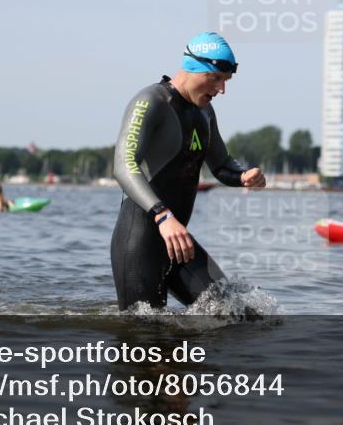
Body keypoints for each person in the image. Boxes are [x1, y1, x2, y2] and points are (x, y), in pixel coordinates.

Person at [110, 32, 265, 310]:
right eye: (216, 78)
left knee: (236, 314)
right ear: (194, 67)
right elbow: (123, 165)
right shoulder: (152, 101)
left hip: (178, 242)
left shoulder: (205, 112)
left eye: (226, 81)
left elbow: (221, 164)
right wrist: (162, 215)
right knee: (146, 338)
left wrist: (242, 176)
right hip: (141, 241)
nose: (221, 89)